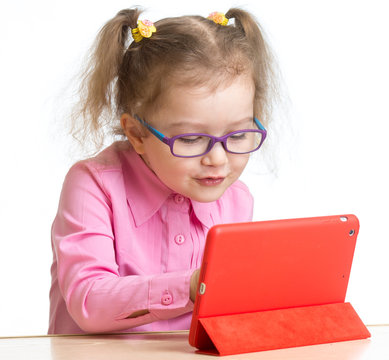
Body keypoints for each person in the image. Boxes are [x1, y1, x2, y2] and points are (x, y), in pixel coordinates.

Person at [49, 6, 277, 334]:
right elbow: (88, 300)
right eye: (192, 138)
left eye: (238, 135)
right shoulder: (93, 186)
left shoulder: (236, 198)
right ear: (137, 134)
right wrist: (191, 285)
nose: (218, 159)